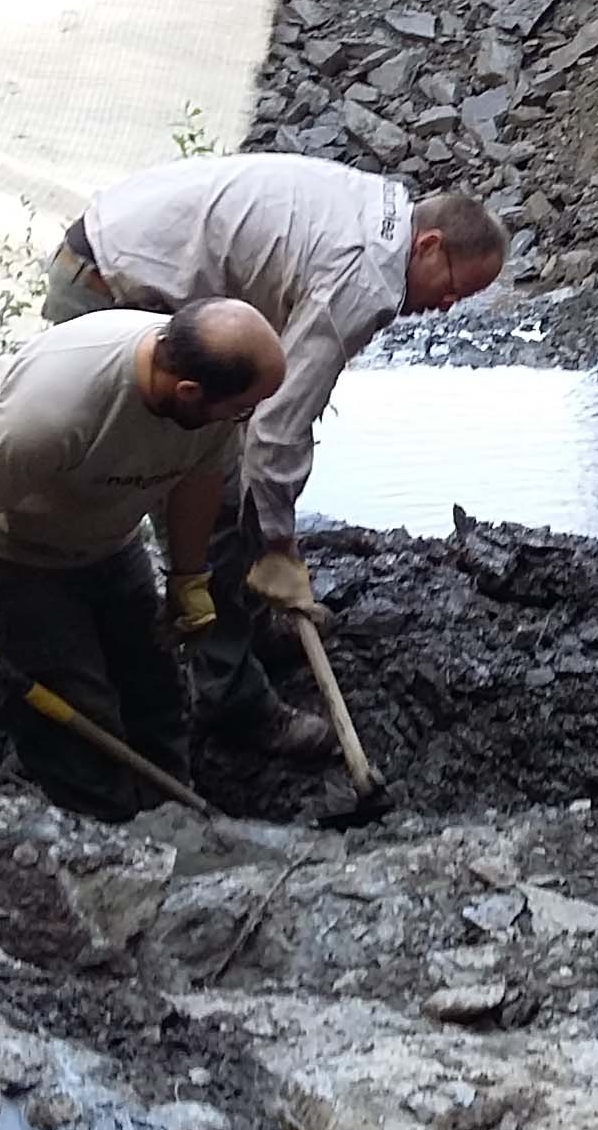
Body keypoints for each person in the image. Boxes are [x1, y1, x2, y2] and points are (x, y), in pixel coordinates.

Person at [41, 153, 508, 747]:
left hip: (121, 255)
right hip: (112, 292)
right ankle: (228, 695)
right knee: (217, 503)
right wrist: (280, 546)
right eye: (453, 288)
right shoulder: (367, 277)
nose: (447, 307)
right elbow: (279, 424)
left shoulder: (385, 211)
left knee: (232, 486)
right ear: (430, 245)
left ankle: (246, 623)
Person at [0, 300, 286, 818]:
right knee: (77, 717)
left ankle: (174, 817)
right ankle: (111, 837)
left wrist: (188, 578)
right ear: (188, 393)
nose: (244, 421)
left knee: (155, 689)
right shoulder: (57, 406)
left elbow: (196, 481)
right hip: (13, 548)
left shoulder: (203, 395)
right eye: (241, 411)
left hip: (107, 540)